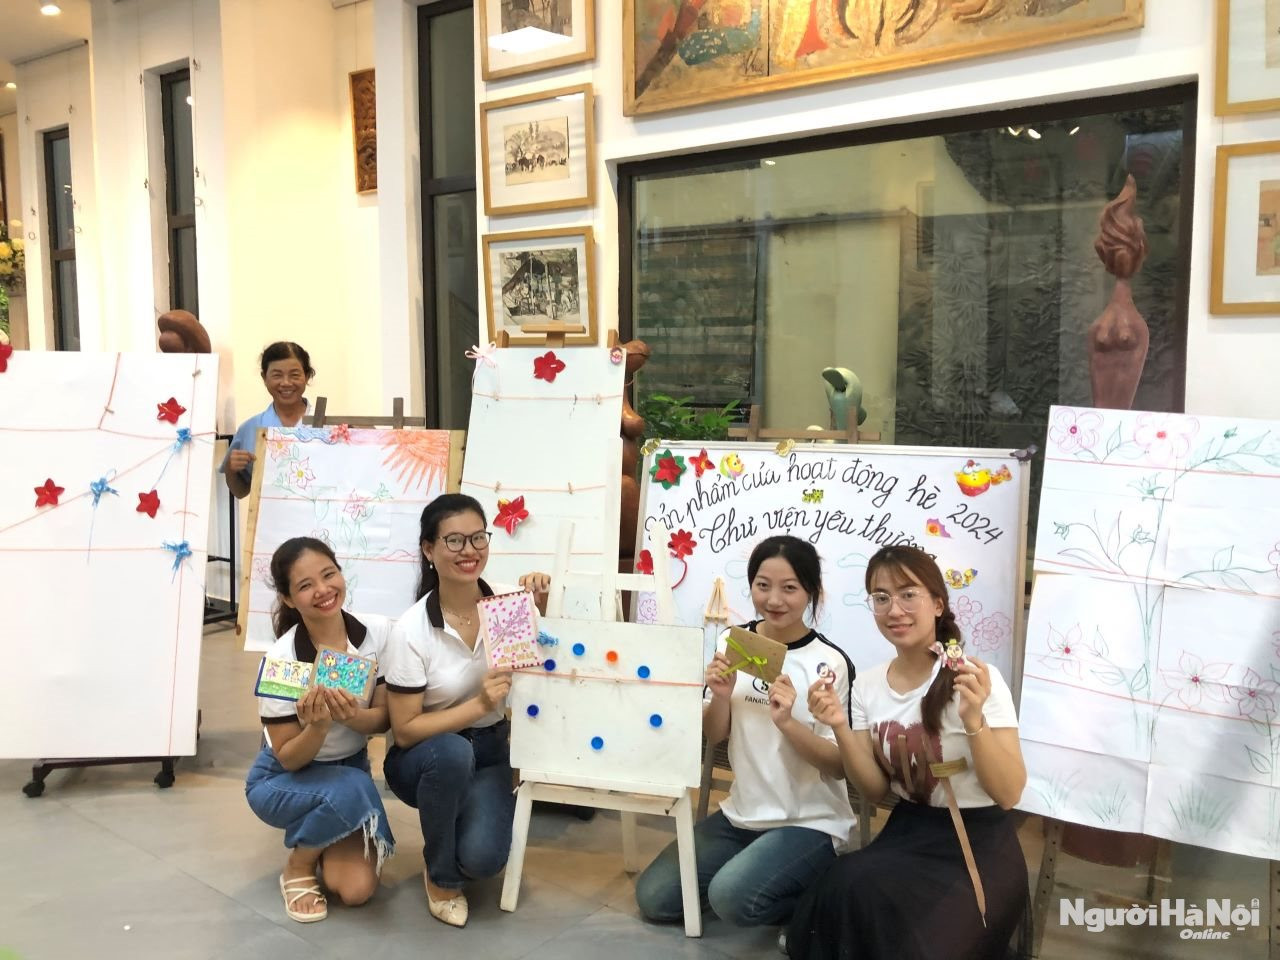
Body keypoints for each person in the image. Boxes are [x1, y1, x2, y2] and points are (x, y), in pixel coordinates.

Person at [788, 544, 1029, 960]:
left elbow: (1009, 794)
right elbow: (874, 790)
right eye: (881, 598)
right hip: (907, 832)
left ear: (937, 604)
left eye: (908, 594)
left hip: (978, 843)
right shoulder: (867, 685)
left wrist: (974, 721)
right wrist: (840, 726)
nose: (894, 609)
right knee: (844, 887)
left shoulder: (975, 679)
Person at [635, 535, 856, 939]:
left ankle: (820, 899)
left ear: (811, 591)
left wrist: (788, 723)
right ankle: (757, 871)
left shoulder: (830, 662)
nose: (774, 599)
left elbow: (839, 766)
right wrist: (720, 697)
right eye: (762, 585)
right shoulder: (733, 642)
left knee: (731, 898)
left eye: (790, 588)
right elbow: (714, 734)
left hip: (808, 822)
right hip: (741, 815)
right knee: (656, 898)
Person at [382, 493, 550, 928]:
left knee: (482, 861)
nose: (469, 550)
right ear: (428, 549)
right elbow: (405, 730)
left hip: (490, 749)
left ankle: (456, 820)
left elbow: (540, 661)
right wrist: (479, 704)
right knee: (452, 755)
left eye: (478, 537)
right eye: (454, 541)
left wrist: (544, 602)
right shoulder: (411, 630)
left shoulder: (509, 605)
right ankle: (440, 877)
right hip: (425, 756)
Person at [245, 536, 395, 924]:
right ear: (288, 599)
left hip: (349, 769)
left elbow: (383, 719)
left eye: (329, 575)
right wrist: (318, 728)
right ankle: (299, 864)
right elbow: (288, 758)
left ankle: (324, 825)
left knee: (355, 891)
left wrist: (352, 718)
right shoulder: (282, 661)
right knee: (354, 787)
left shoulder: (376, 633)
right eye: (305, 585)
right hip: (285, 778)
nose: (323, 590)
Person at [222, 341, 314, 499]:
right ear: (264, 377)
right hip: (269, 514)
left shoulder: (329, 428)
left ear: (307, 376)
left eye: (294, 375)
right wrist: (231, 469)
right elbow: (240, 492)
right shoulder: (250, 429)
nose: (286, 383)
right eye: (277, 375)